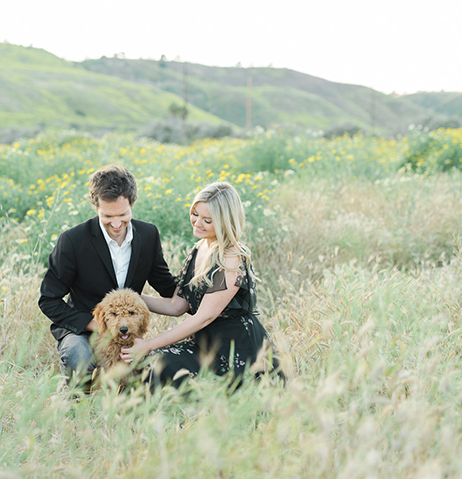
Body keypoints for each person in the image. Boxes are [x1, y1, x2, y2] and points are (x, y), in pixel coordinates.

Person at [121, 181, 283, 388]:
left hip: (236, 351)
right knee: (151, 362)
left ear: (225, 221)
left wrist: (149, 344)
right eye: (195, 214)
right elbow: (176, 306)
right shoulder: (199, 248)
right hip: (203, 344)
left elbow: (204, 317)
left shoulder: (231, 257)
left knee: (157, 363)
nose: (197, 223)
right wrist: (129, 296)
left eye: (207, 220)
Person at [38, 165, 177, 384]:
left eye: (123, 215)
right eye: (107, 216)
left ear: (133, 202)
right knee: (78, 356)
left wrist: (204, 292)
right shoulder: (73, 240)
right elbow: (48, 300)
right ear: (95, 206)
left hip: (127, 330)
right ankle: (80, 399)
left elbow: (166, 284)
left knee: (150, 375)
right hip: (83, 329)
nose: (116, 224)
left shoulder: (149, 234)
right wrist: (96, 325)